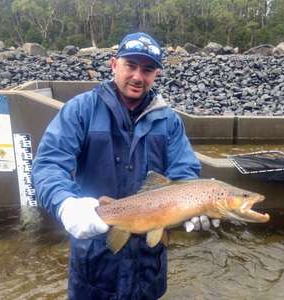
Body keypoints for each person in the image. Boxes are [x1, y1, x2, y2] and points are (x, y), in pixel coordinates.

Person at [32, 32, 218, 299]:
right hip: (93, 265)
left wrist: (196, 204)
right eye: (131, 65)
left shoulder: (169, 122)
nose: (138, 77)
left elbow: (184, 173)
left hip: (147, 269)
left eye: (148, 69)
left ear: (156, 74)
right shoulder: (80, 110)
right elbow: (49, 163)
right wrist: (65, 203)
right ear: (113, 64)